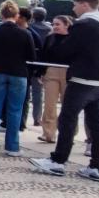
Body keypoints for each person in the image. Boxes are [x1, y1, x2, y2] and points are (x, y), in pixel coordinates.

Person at [30, 0, 99, 181]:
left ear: (84, 5)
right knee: (98, 124)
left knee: (67, 119)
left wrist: (55, 43)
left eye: (75, 5)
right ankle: (96, 167)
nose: (73, 9)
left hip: (82, 79)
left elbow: (66, 51)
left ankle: (58, 161)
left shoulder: (83, 25)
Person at [0, 0, 36, 157]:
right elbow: (31, 56)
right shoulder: (25, 33)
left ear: (1, 15)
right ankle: (12, 147)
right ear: (17, 15)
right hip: (19, 73)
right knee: (15, 110)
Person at [37, 15, 71, 144]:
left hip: (69, 71)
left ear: (66, 24)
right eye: (54, 24)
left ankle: (68, 133)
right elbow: (44, 55)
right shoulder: (50, 38)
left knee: (67, 104)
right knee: (50, 103)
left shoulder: (73, 38)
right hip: (51, 71)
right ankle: (48, 133)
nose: (55, 26)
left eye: (58, 24)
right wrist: (41, 72)